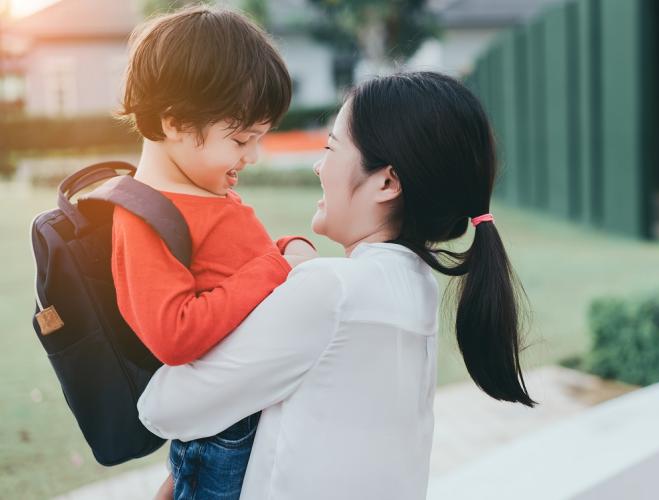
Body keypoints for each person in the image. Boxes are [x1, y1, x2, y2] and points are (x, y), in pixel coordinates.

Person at [138, 71, 535, 500]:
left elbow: (165, 407)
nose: (318, 164)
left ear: (387, 182)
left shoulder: (331, 291)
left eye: (331, 147)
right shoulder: (416, 288)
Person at [113, 6, 315, 499]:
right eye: (243, 139)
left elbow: (239, 267)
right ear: (177, 123)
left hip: (246, 408)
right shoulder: (145, 216)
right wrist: (275, 266)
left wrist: (286, 249)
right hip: (226, 435)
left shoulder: (203, 190)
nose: (251, 156)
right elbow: (175, 335)